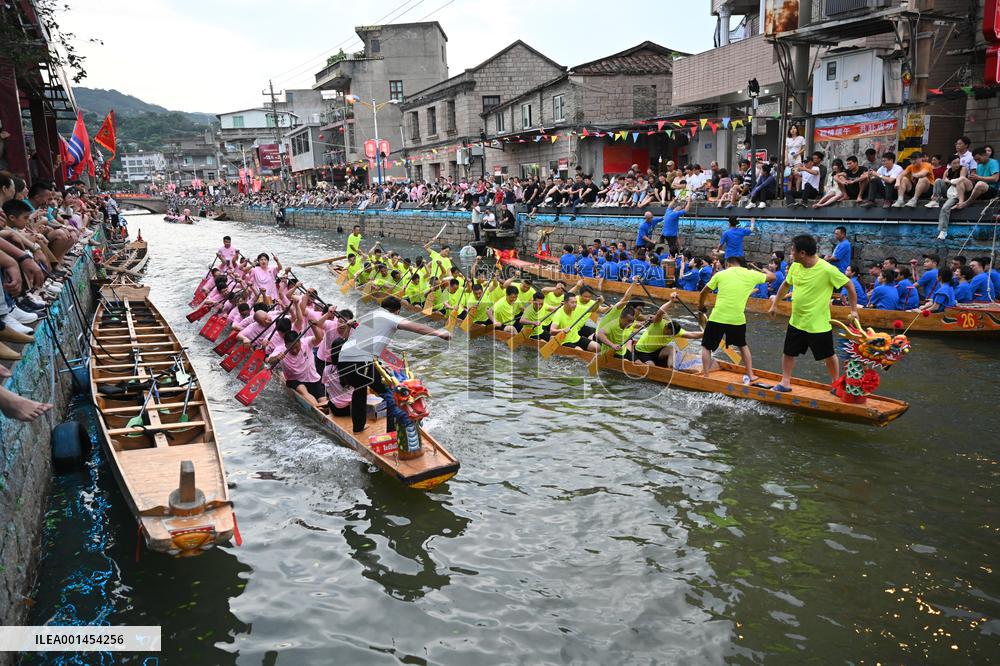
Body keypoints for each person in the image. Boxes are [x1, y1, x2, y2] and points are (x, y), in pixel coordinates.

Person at [337, 296, 451, 433]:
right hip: (361, 361)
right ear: (397, 311)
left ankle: (358, 429)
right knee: (394, 395)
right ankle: (393, 434)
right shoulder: (390, 317)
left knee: (359, 389)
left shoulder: (370, 315)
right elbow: (417, 328)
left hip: (343, 360)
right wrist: (439, 333)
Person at [768, 234, 858, 392]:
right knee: (788, 352)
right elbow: (785, 285)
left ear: (802, 253)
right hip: (797, 320)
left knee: (828, 355)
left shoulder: (827, 269)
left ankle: (836, 384)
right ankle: (785, 382)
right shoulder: (796, 266)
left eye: (792, 250)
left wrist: (854, 310)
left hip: (818, 323)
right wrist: (775, 304)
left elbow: (849, 285)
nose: (790, 253)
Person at [698, 256, 775, 385]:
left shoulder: (721, 274)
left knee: (706, 346)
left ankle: (706, 375)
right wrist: (758, 268)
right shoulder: (751, 274)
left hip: (718, 316)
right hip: (737, 318)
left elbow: (703, 293)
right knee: (742, 345)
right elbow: (773, 277)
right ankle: (751, 375)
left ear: (728, 263)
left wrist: (700, 306)